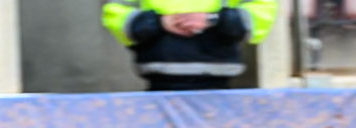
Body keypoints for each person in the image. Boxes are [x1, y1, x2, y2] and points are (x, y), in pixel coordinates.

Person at [102, 0, 278, 91]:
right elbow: (116, 12)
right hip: (161, 82)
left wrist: (213, 19)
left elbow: (261, 11)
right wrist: (158, 22)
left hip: (216, 84)